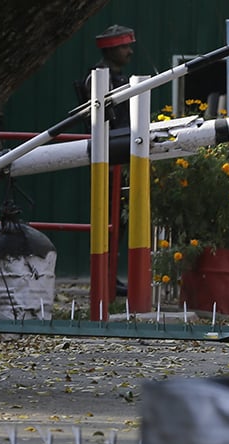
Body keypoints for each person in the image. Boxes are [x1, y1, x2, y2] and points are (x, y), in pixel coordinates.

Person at [74, 25, 137, 297]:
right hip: (109, 156)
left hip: (122, 153)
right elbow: (100, 119)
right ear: (111, 49)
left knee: (121, 219)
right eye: (124, 46)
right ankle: (105, 277)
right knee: (109, 217)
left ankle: (112, 275)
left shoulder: (120, 78)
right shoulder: (98, 79)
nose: (130, 51)